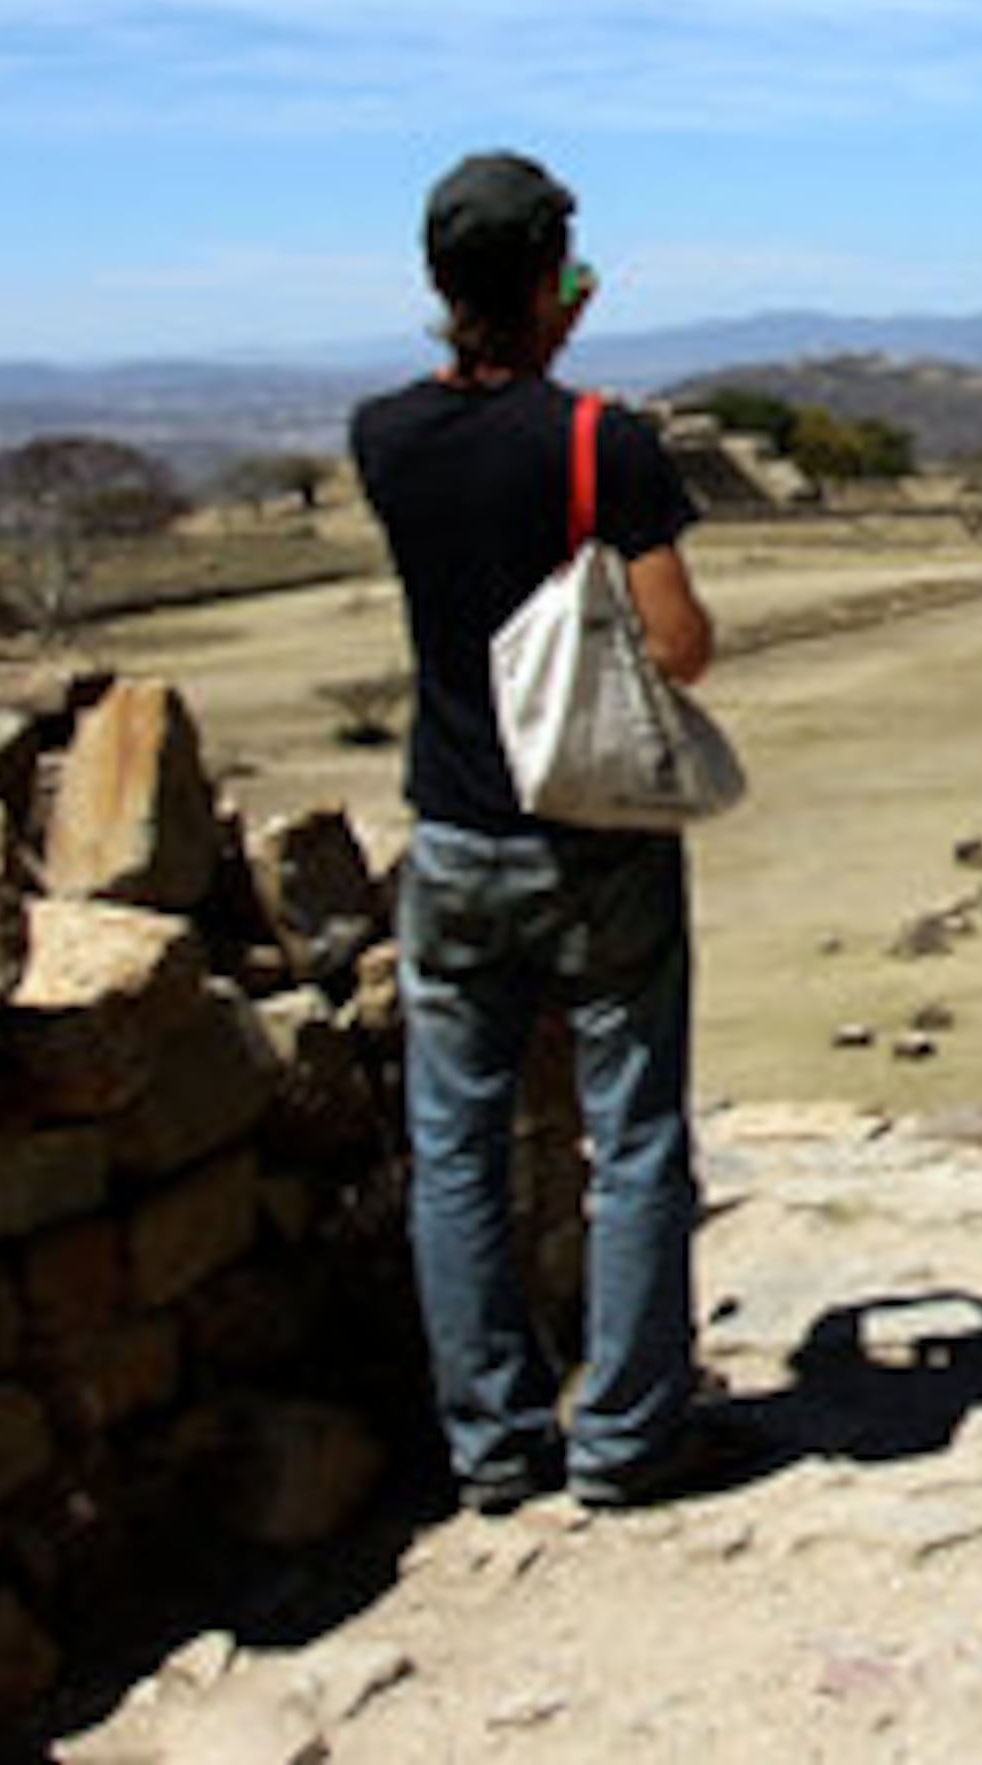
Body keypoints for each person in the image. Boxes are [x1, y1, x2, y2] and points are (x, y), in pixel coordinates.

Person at [351, 151, 727, 1514]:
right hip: (591, 835)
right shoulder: (601, 441)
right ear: (554, 282)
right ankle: (628, 1440)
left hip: (450, 830)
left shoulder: (378, 433)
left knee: (456, 1148)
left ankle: (494, 1447)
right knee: (633, 1139)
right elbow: (680, 649)